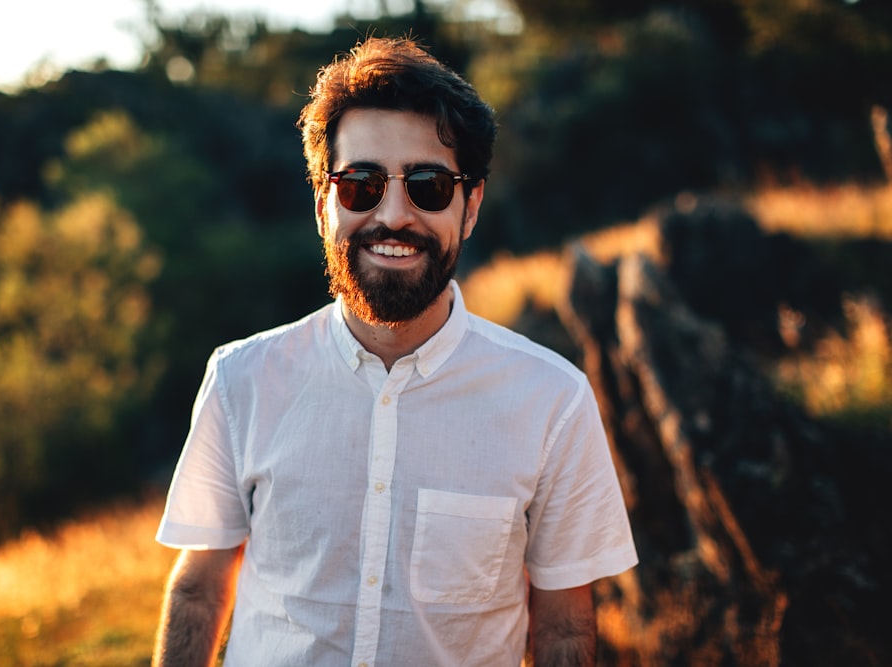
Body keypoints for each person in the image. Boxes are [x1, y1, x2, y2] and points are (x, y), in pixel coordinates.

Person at [152, 36, 637, 667]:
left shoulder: (553, 401)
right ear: (324, 203)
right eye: (361, 184)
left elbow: (566, 628)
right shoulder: (241, 379)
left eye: (430, 186)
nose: (394, 215)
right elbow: (198, 588)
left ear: (471, 207)